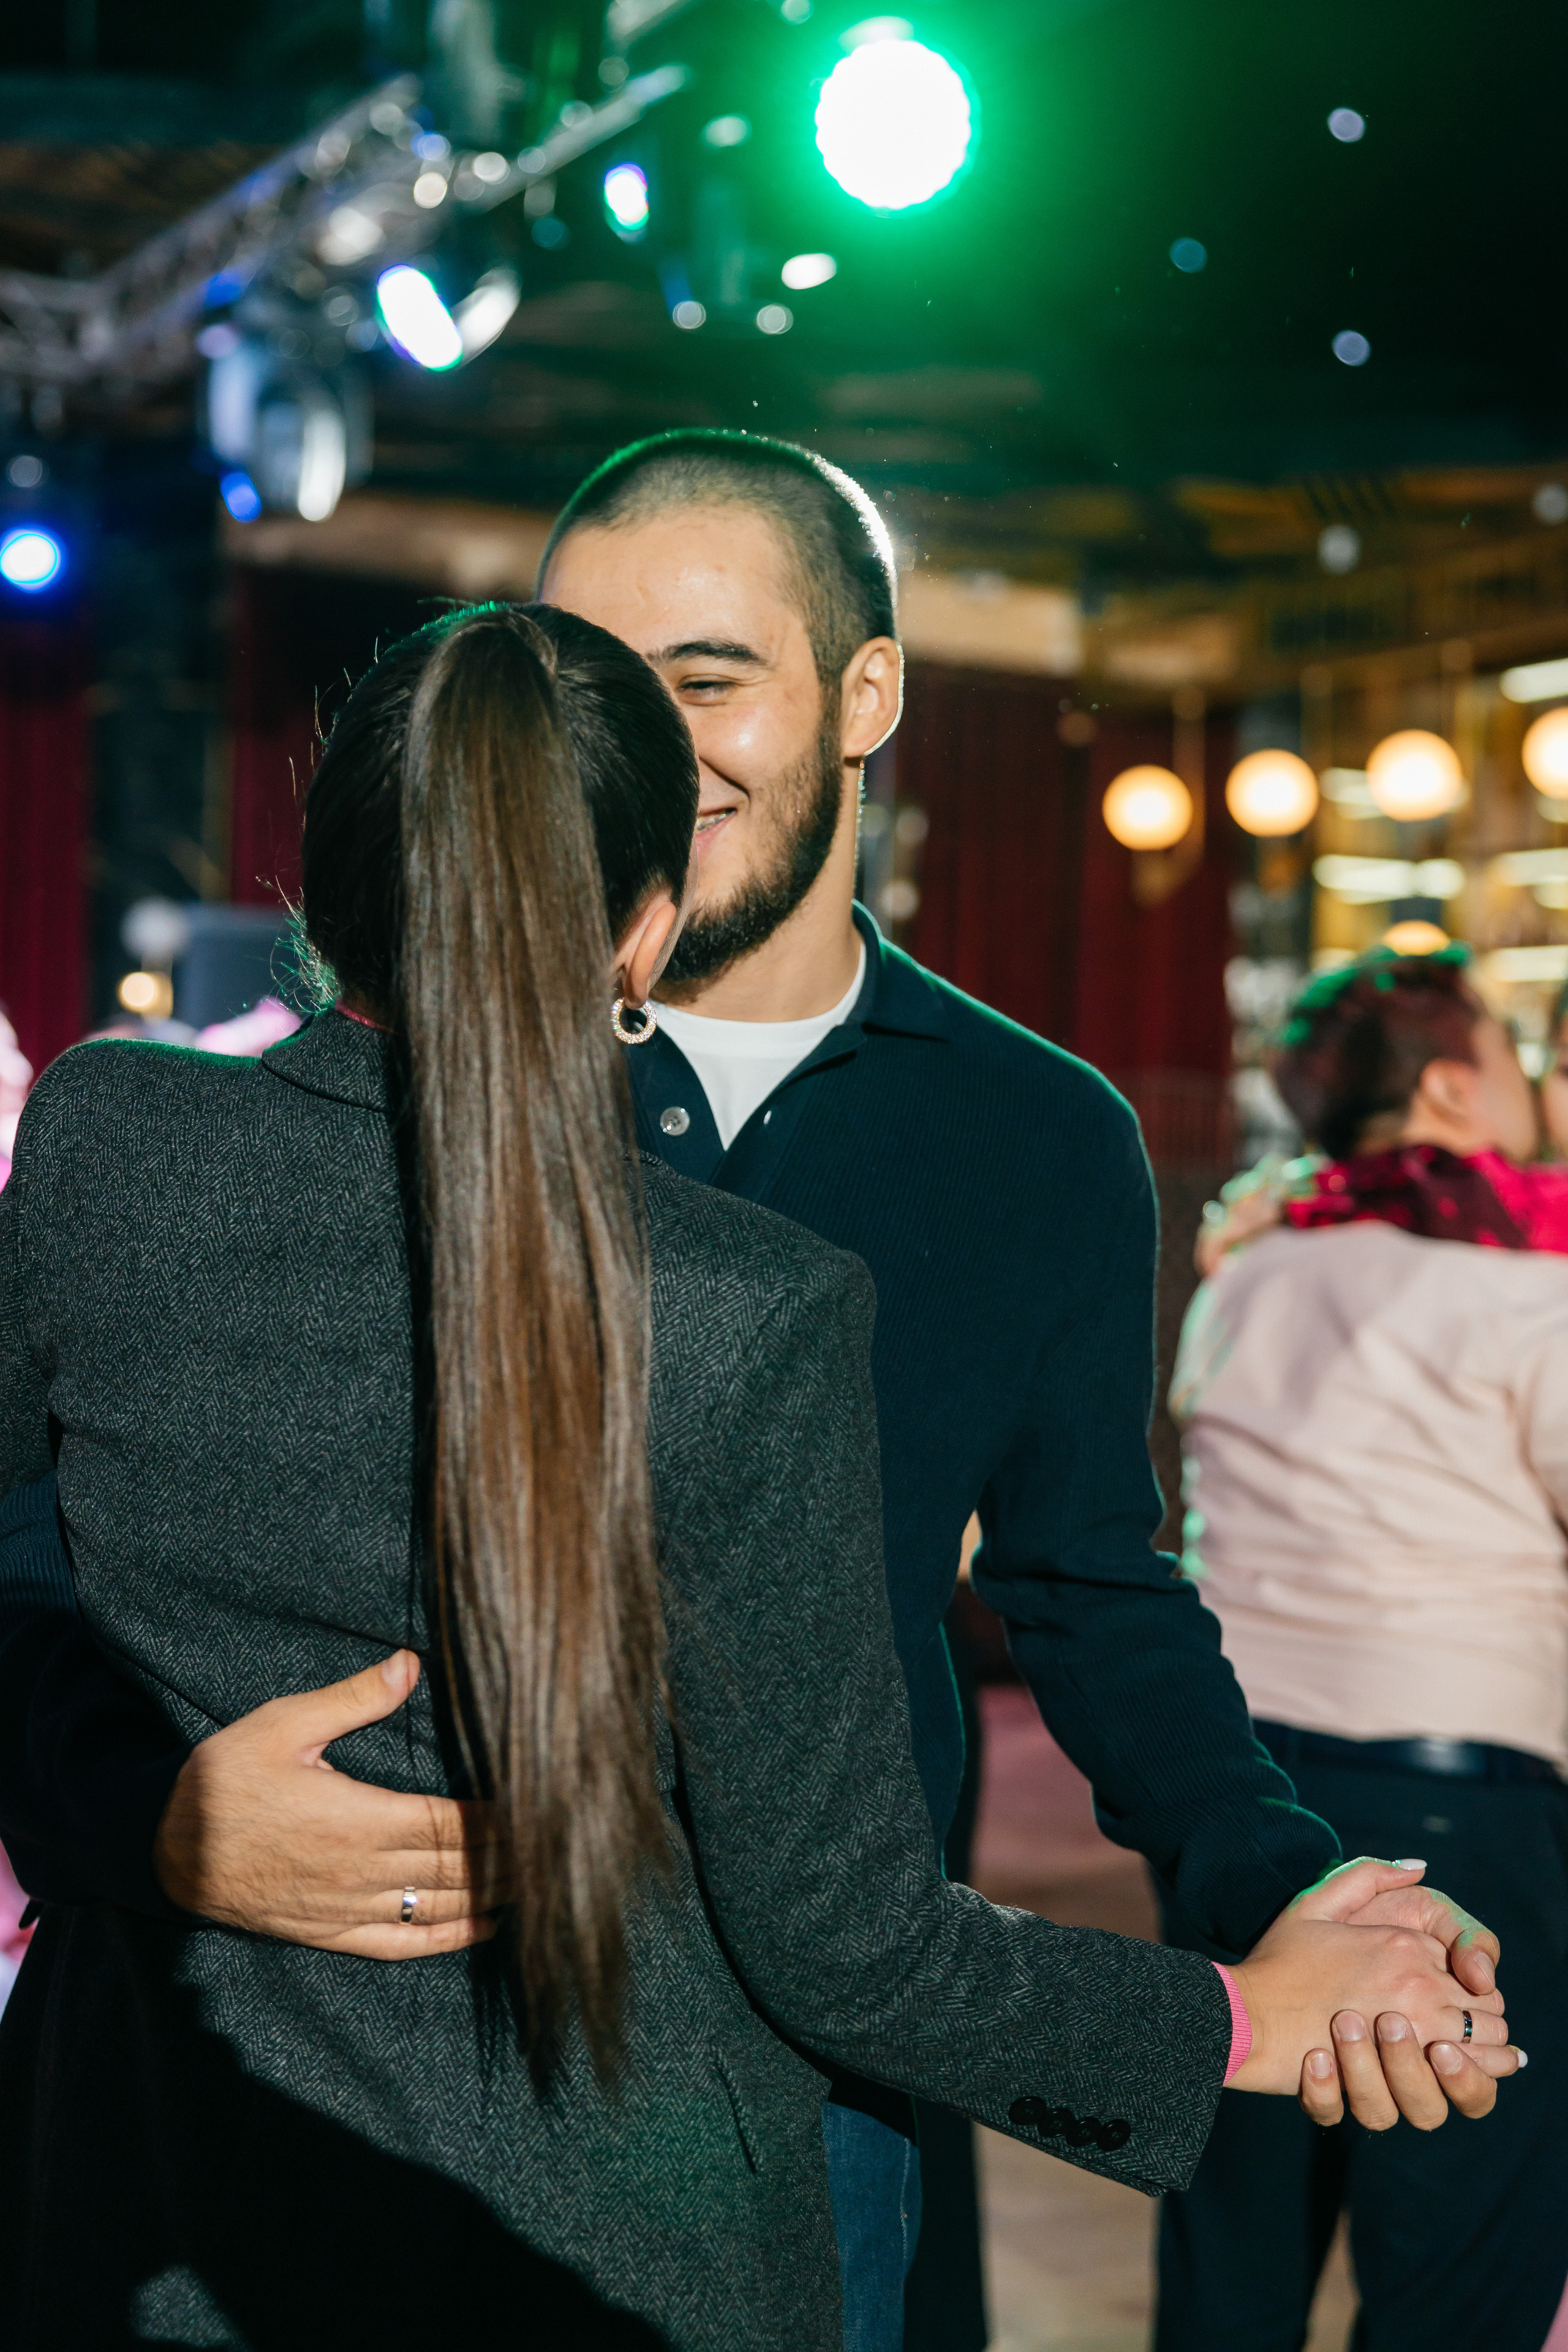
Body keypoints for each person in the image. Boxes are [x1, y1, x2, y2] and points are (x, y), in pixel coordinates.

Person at [0, 442, 1510, 2350]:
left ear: (865, 698)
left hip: (795, 2081)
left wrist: (1291, 1889)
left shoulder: (1030, 1137)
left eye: (701, 682)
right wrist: (145, 1811)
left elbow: (1096, 1595)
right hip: (272, 2107)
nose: (628, 733)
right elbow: (38, 1542)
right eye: (583, 671)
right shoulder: (247, 1128)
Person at [1156, 947, 1568, 2352]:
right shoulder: (1520, 1292)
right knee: (1456, 2242)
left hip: (1239, 1789)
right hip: (1464, 1803)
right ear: (1454, 1087)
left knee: (1235, 2224)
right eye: (1521, 1064)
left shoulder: (1242, 1273)